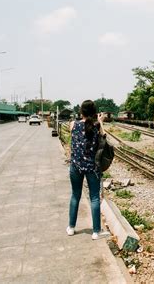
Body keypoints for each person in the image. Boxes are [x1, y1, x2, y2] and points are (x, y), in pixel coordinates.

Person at [66, 100, 108, 240]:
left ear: (81, 111)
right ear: (94, 112)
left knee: (75, 195)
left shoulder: (73, 124)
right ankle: (96, 231)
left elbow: (75, 129)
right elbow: (104, 138)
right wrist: (100, 121)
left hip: (76, 166)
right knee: (94, 197)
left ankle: (71, 228)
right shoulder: (96, 126)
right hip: (92, 167)